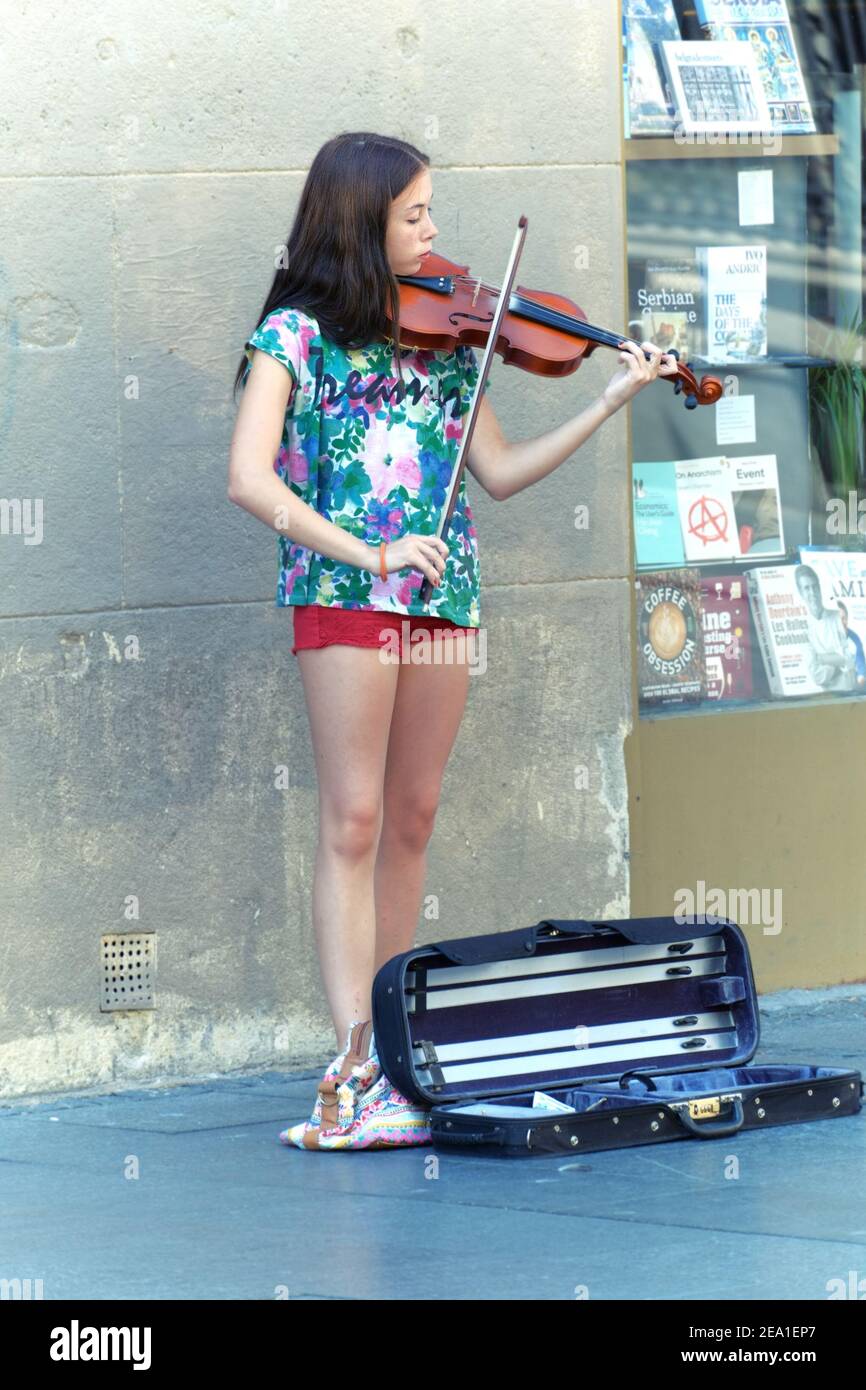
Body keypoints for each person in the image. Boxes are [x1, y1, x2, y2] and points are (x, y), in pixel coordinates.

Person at [227, 131, 677, 1149]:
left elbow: (503, 471)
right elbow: (248, 479)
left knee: (414, 813)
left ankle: (390, 1048)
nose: (434, 233)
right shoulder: (293, 336)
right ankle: (348, 1066)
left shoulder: (443, 335)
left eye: (431, 211)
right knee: (350, 817)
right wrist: (370, 549)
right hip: (348, 586)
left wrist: (608, 398)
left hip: (442, 591)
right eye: (415, 214)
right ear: (360, 218)